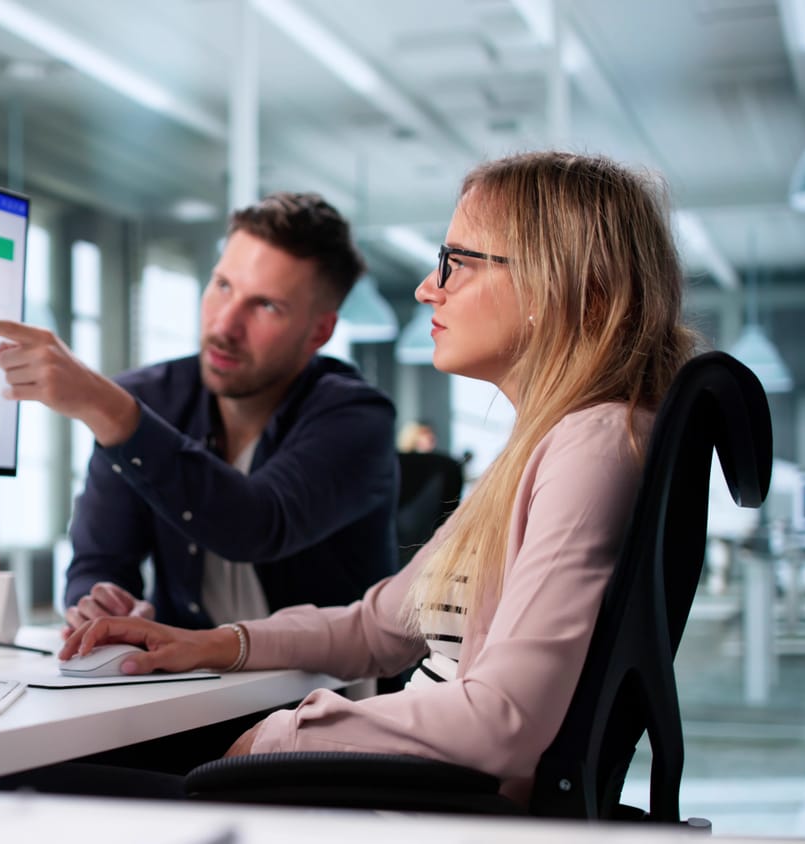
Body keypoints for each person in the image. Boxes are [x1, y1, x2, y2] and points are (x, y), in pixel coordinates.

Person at [60, 151, 698, 805]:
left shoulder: (591, 448)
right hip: (401, 781)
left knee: (32, 784)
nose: (429, 287)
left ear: (567, 290)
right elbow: (375, 628)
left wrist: (282, 735)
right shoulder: (547, 447)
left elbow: (503, 721)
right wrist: (214, 644)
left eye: (457, 262)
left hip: (422, 800)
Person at [0, 193, 398, 634]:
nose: (225, 326)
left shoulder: (358, 418)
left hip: (324, 693)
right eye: (223, 285)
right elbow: (99, 561)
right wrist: (100, 602)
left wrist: (108, 407)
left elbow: (256, 525)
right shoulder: (149, 399)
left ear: (319, 331)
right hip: (192, 688)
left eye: (266, 305)